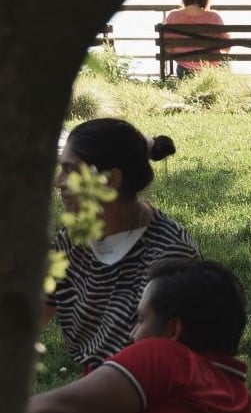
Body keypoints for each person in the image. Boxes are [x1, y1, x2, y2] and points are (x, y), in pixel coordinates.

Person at [45, 119, 201, 370]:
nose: (58, 182)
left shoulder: (170, 255)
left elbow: (162, 365)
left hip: (151, 390)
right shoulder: (73, 239)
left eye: (70, 171)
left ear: (111, 179)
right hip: (100, 388)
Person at [29, 259, 251, 413]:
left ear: (172, 330)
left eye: (140, 319)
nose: (132, 333)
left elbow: (49, 410)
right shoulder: (238, 398)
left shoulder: (166, 357)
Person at [163, 0, 229, 77]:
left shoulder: (173, 16)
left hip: (184, 70)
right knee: (226, 64)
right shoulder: (214, 17)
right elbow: (227, 48)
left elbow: (168, 49)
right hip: (211, 70)